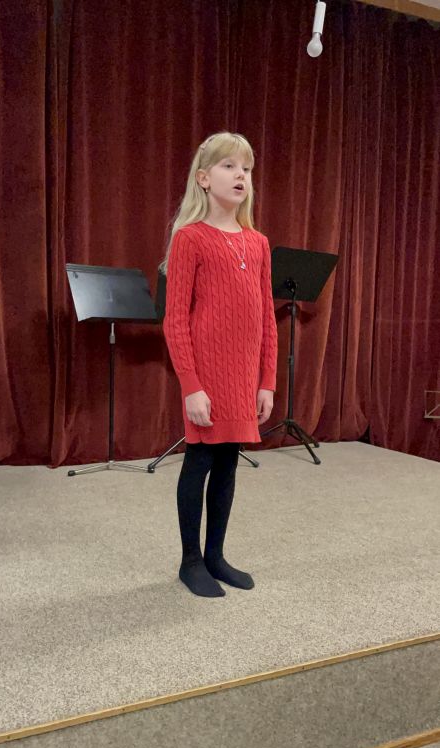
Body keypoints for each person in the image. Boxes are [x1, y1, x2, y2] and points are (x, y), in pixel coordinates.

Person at [162, 131, 278, 598]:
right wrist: (191, 385)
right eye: (229, 166)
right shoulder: (189, 239)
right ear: (204, 178)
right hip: (206, 379)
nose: (240, 175)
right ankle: (190, 561)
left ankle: (215, 555)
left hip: (244, 378)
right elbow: (175, 320)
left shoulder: (259, 243)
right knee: (201, 461)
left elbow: (267, 318)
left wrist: (267, 381)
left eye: (246, 168)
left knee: (229, 464)